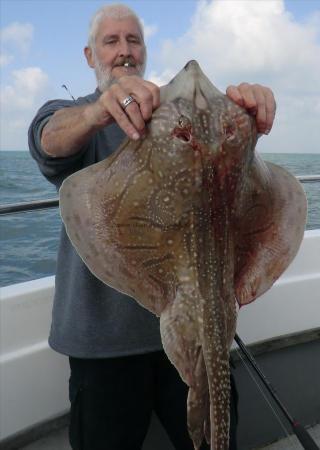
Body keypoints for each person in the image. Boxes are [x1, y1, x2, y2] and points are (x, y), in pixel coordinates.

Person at [28, 4, 276, 450]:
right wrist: (95, 114)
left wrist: (248, 120)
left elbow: (253, 193)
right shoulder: (75, 114)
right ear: (90, 56)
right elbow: (47, 139)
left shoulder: (176, 113)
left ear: (144, 51)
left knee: (218, 438)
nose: (124, 51)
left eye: (133, 40)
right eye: (111, 41)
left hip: (202, 327)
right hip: (103, 346)